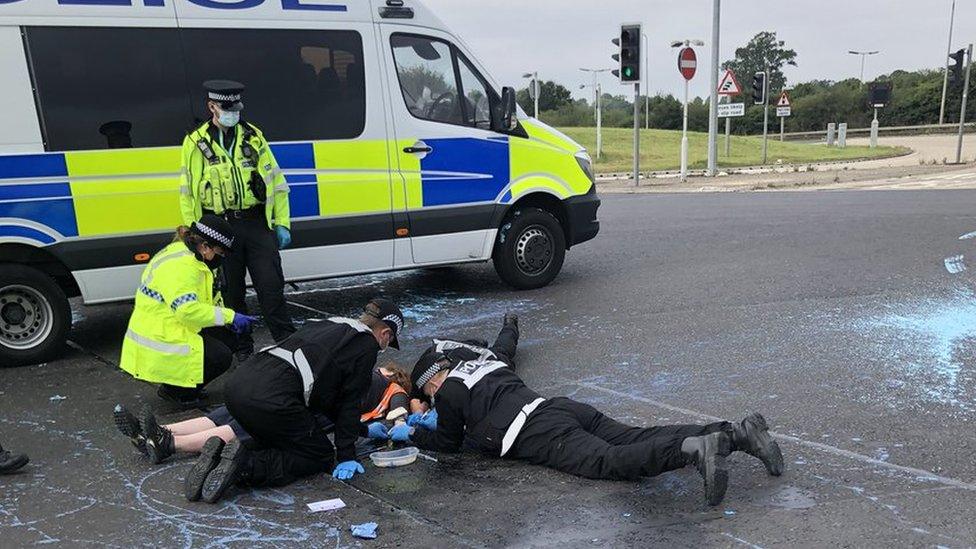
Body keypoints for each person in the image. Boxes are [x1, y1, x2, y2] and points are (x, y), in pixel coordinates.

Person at [389, 328, 785, 507]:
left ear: (433, 382)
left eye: (429, 394)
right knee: (634, 436)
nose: (433, 400)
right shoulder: (487, 366)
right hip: (559, 407)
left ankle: (695, 449)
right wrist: (509, 327)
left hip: (538, 433)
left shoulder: (451, 391)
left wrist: (411, 433)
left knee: (608, 462)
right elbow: (503, 348)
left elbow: (450, 444)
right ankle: (738, 432)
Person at [184, 298, 405, 504]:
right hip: (272, 398)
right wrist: (346, 454)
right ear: (385, 333)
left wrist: (361, 430)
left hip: (238, 385)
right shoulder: (365, 345)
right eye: (389, 341)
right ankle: (243, 467)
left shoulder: (331, 324)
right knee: (319, 455)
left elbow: (328, 399)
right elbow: (348, 403)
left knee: (281, 438)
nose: (385, 346)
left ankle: (218, 458)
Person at [179, 80, 294, 362]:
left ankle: (290, 346)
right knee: (231, 294)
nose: (233, 114)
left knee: (271, 288)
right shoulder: (195, 143)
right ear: (212, 107)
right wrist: (195, 235)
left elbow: (276, 183)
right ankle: (244, 350)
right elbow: (188, 191)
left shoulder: (253, 137)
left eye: (236, 108)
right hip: (220, 229)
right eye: (226, 108)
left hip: (256, 224)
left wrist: (282, 222)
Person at [111, 364, 412, 465]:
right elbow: (395, 419)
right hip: (313, 410)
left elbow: (397, 415)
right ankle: (164, 438)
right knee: (240, 420)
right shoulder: (383, 383)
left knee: (236, 416)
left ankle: (164, 435)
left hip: (306, 400)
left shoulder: (387, 385)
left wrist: (401, 422)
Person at [119, 215, 256, 405]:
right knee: (220, 357)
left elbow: (205, 300)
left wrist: (226, 320)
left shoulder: (190, 255)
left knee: (229, 338)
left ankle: (185, 386)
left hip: (171, 325)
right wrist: (230, 316)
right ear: (205, 246)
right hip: (162, 336)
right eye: (220, 252)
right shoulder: (182, 266)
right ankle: (177, 392)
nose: (221, 257)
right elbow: (187, 311)